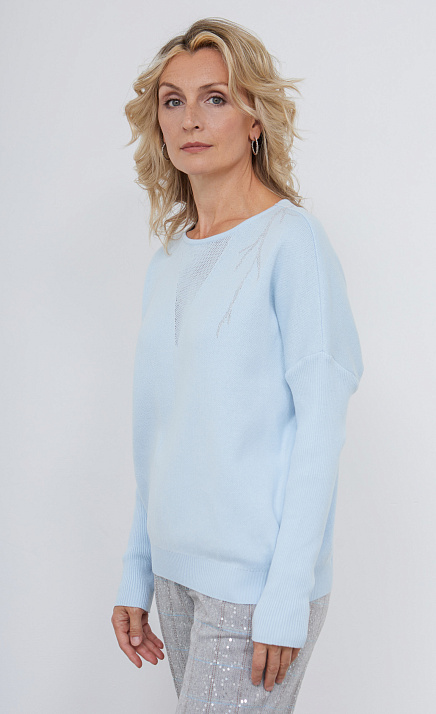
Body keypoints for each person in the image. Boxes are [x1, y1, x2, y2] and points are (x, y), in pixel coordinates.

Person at [111, 16, 363, 713]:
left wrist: (285, 594)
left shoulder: (293, 243)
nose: (191, 118)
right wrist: (137, 570)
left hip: (254, 588)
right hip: (176, 575)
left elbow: (319, 431)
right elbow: (159, 433)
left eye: (215, 98)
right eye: (173, 100)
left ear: (255, 119)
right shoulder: (170, 258)